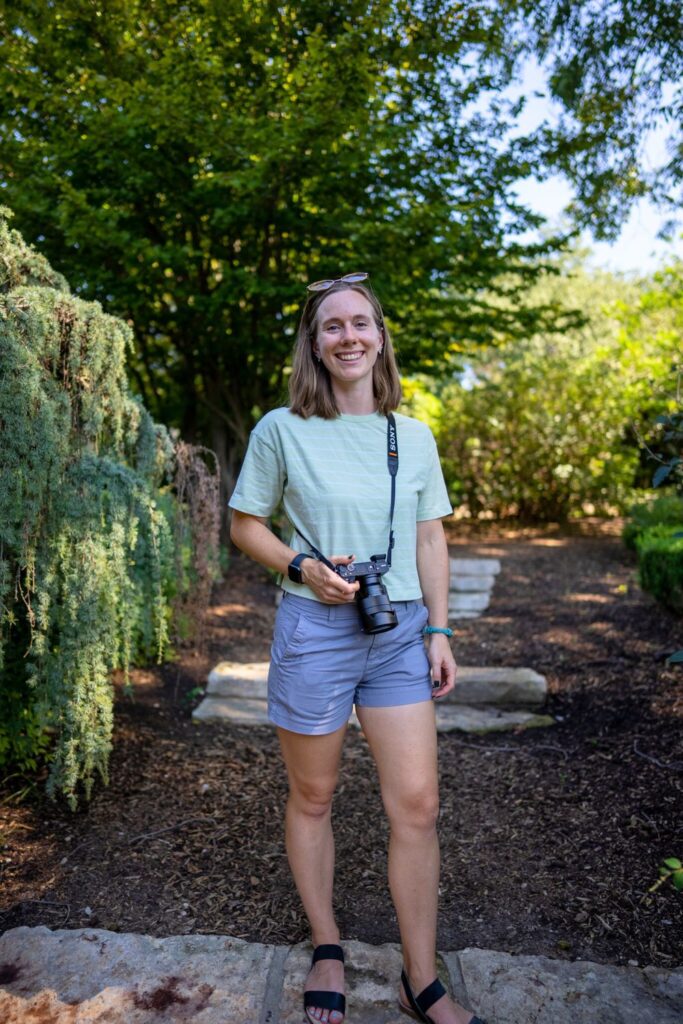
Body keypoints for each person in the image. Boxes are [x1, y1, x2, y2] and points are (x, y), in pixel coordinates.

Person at [229, 273, 486, 1024]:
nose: (348, 337)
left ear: (380, 337)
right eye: (332, 326)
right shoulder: (282, 428)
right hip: (315, 631)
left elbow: (430, 536)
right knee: (313, 796)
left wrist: (439, 629)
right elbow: (246, 524)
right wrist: (299, 565)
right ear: (314, 343)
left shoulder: (413, 435)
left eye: (360, 324)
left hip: (398, 630)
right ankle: (328, 946)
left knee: (418, 805)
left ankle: (419, 976)